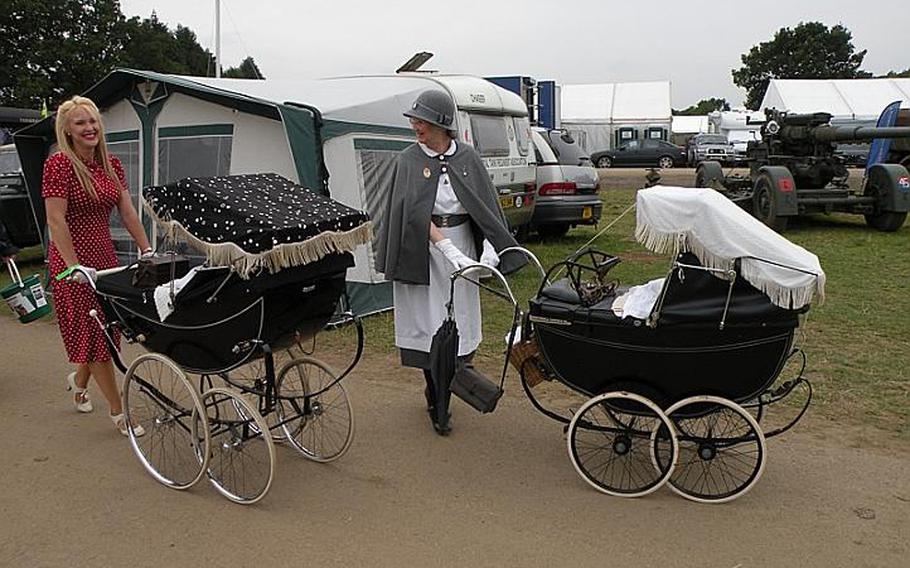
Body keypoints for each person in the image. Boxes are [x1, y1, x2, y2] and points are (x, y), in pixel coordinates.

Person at [376, 89, 527, 435]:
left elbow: (486, 209)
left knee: (458, 322)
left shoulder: (468, 158)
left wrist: (489, 249)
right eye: (414, 120)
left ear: (442, 124)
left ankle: (448, 386)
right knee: (430, 324)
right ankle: (435, 393)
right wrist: (446, 250)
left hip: (464, 247)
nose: (416, 126)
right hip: (425, 252)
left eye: (422, 121)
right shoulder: (408, 160)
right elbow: (411, 214)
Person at [42, 95, 152, 437]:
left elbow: (127, 210)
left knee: (106, 331)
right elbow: (56, 220)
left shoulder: (111, 165)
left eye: (93, 122)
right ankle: (120, 413)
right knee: (93, 334)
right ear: (68, 131)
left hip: (104, 258)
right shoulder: (59, 165)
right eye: (80, 123)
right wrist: (73, 267)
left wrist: (146, 249)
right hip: (71, 263)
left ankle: (78, 379)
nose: (89, 128)